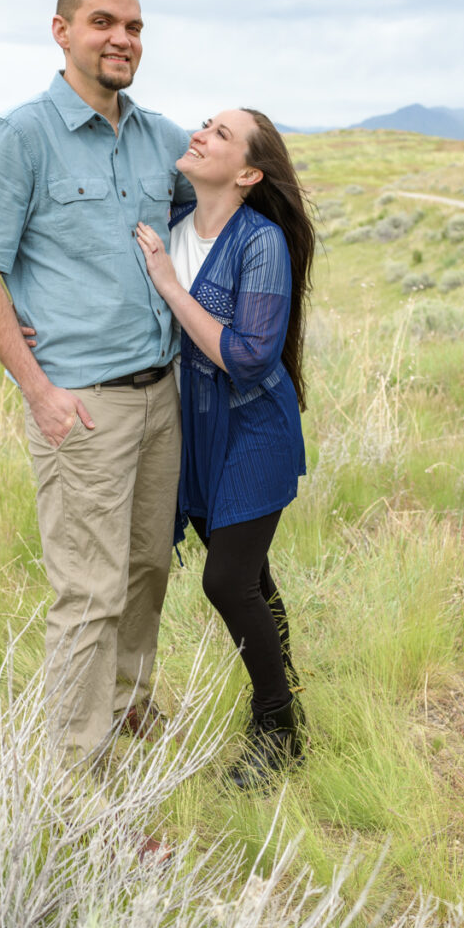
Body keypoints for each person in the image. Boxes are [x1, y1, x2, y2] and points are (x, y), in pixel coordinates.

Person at [0, 0, 194, 793]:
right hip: (80, 403)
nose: (122, 38)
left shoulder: (161, 138)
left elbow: (217, 205)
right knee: (88, 592)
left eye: (134, 25)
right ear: (61, 31)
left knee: (148, 571)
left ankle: (127, 709)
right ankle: (79, 784)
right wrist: (37, 389)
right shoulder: (19, 137)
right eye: (102, 22)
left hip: (163, 396)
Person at [135, 108, 315, 790]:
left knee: (226, 581)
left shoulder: (258, 240)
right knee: (253, 578)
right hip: (195, 434)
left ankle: (277, 730)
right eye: (204, 122)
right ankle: (287, 694)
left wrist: (171, 288)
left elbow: (247, 356)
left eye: (220, 133)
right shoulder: (173, 224)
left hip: (253, 430)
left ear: (246, 172)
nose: (200, 133)